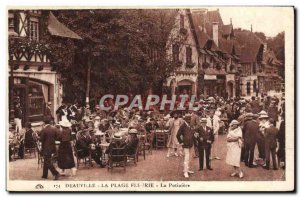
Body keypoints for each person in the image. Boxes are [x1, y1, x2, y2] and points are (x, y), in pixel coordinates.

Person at [176, 114, 195, 178]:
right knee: (186, 158)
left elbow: (192, 133)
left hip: (191, 144)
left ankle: (187, 169)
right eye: (188, 118)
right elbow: (177, 135)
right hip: (185, 145)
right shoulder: (183, 126)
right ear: (185, 119)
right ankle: (185, 172)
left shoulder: (191, 125)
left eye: (190, 118)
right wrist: (181, 142)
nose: (189, 120)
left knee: (190, 158)